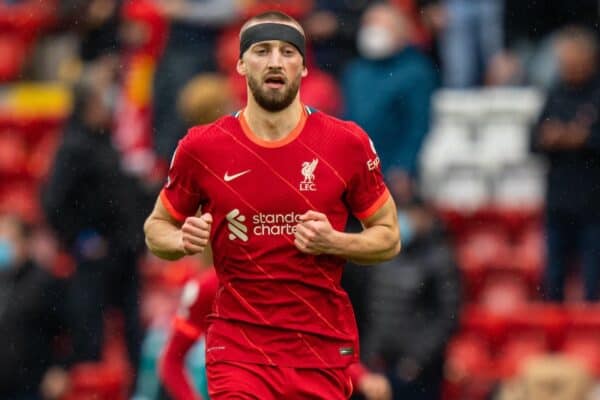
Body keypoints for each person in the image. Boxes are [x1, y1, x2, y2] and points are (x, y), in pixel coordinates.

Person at [144, 10, 400, 399]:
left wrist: (334, 241)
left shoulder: (346, 143)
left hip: (319, 350)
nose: (276, 61)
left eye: (288, 52)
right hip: (238, 352)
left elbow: (389, 238)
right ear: (241, 63)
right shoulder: (201, 147)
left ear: (304, 67)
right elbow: (155, 228)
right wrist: (179, 240)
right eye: (262, 51)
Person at [42, 60, 149, 375]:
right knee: (91, 336)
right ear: (89, 102)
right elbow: (53, 202)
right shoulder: (73, 146)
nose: (110, 103)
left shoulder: (106, 140)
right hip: (96, 258)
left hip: (124, 252)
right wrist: (81, 239)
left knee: (133, 333)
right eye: (104, 97)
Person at [159, 269, 393, 400]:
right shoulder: (209, 287)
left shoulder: (295, 283)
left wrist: (362, 376)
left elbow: (322, 348)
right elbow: (171, 360)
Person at [360, 173, 461, 400]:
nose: (403, 219)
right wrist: (370, 353)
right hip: (380, 366)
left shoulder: (440, 258)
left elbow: (448, 316)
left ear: (425, 216)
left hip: (419, 372)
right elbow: (372, 309)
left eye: (409, 212)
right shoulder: (382, 254)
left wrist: (416, 360)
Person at [530, 26, 600, 302]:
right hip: (558, 204)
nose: (566, 66)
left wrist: (580, 139)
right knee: (554, 279)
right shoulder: (555, 93)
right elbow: (533, 140)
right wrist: (559, 138)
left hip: (593, 206)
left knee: (592, 283)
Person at [341, 3, 437, 177]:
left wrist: (405, 166)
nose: (373, 30)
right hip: (357, 168)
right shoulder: (356, 70)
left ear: (401, 32)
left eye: (381, 25)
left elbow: (418, 125)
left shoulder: (416, 71)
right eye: (368, 24)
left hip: (394, 169)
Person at [0, 214, 70, 400]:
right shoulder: (2, 280)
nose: (3, 244)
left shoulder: (44, 283)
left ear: (25, 243)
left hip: (30, 386)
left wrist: (60, 368)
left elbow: (69, 330)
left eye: (9, 238)